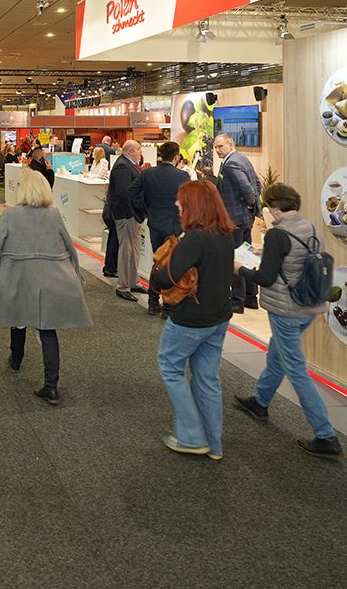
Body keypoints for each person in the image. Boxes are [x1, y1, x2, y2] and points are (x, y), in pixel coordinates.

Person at [234, 184, 345, 460]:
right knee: (277, 356)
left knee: (296, 370)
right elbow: (296, 262)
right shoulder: (311, 227)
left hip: (286, 311)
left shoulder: (277, 234)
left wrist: (240, 269)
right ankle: (260, 401)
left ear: (273, 208)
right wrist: (266, 254)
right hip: (309, 307)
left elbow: (265, 278)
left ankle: (326, 435)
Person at [0, 170, 91, 406]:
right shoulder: (54, 214)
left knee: (17, 318)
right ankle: (51, 386)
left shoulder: (11, 215)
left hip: (19, 276)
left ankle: (16, 359)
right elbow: (69, 246)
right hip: (52, 278)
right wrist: (77, 273)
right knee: (47, 330)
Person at [151, 181, 236, 460]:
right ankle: (214, 445)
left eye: (182, 200)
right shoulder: (225, 234)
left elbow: (165, 278)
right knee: (207, 379)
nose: (177, 204)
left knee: (170, 367)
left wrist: (157, 270)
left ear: (194, 205)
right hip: (219, 318)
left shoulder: (195, 239)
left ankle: (191, 437)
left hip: (191, 320)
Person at [129, 141, 191, 316]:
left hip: (155, 224)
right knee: (171, 265)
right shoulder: (182, 175)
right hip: (174, 226)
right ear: (177, 157)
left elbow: (132, 191)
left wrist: (146, 208)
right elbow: (189, 200)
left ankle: (153, 301)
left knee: (158, 262)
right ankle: (168, 306)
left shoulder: (148, 173)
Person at [214, 134, 263, 313]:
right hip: (244, 219)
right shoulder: (241, 158)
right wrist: (250, 209)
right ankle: (251, 297)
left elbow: (248, 189)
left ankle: (237, 300)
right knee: (247, 257)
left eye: (220, 146)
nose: (217, 150)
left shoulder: (231, 163)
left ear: (231, 144)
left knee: (235, 259)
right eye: (215, 147)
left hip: (235, 220)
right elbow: (258, 184)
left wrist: (249, 205)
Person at [107, 139, 148, 302]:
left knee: (134, 250)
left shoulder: (130, 164)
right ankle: (123, 286)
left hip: (134, 215)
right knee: (126, 251)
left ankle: (133, 281)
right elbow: (122, 193)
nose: (141, 152)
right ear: (130, 151)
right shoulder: (123, 166)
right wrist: (129, 214)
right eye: (139, 149)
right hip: (126, 217)